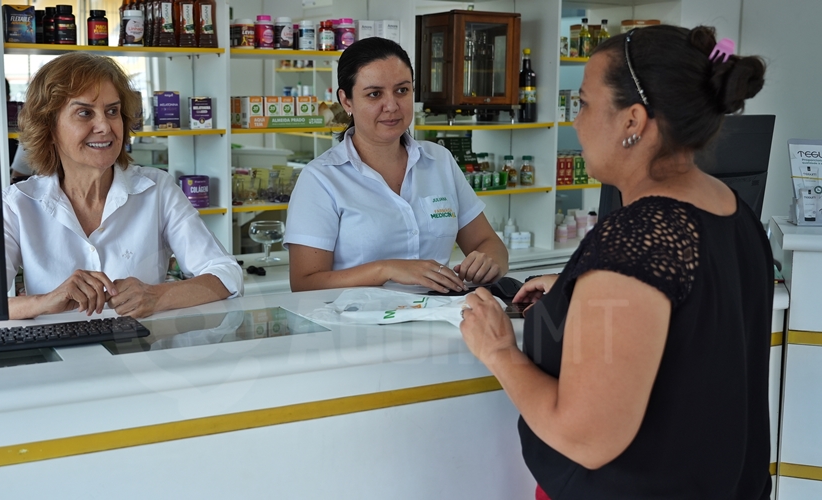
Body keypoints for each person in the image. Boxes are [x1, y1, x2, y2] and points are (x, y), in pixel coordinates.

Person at [459, 25, 772, 499]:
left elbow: (587, 437)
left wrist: (499, 352)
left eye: (583, 103)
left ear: (633, 121)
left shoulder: (638, 238)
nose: (576, 121)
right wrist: (580, 289)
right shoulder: (730, 208)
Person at [4, 52, 243, 320]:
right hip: (57, 358)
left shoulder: (157, 189)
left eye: (112, 111)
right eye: (84, 113)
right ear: (49, 126)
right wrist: (45, 302)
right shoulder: (18, 204)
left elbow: (227, 274)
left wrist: (157, 296)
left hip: (142, 354)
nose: (104, 126)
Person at [283, 37, 508, 293]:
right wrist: (387, 269)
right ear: (346, 101)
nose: (391, 106)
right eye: (374, 94)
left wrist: (490, 261)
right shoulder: (321, 178)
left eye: (402, 90)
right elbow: (304, 283)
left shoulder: (439, 160)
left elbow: (487, 242)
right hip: (357, 328)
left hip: (440, 320)